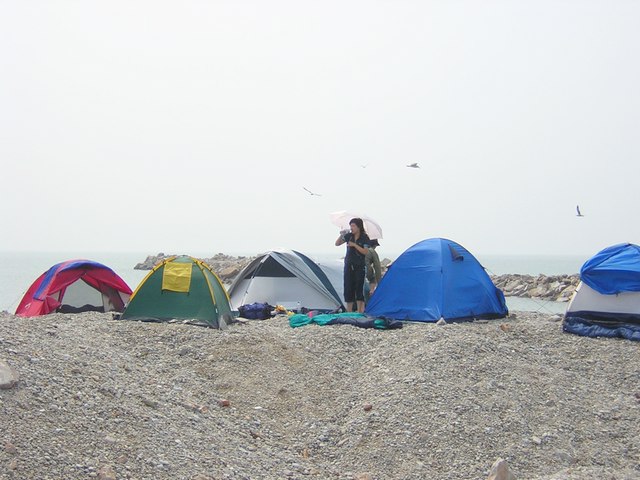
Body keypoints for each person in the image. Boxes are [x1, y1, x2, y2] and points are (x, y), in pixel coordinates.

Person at [335, 218, 370, 313]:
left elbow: (365, 251)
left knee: (359, 287)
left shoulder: (364, 237)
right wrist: (341, 235)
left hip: (359, 266)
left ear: (359, 227)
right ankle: (349, 311)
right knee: (348, 287)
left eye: (353, 226)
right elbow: (337, 244)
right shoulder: (349, 236)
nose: (352, 228)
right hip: (349, 265)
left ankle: (359, 311)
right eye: (351, 226)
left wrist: (354, 245)